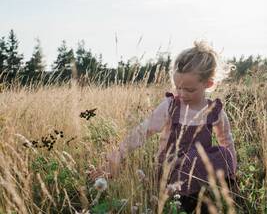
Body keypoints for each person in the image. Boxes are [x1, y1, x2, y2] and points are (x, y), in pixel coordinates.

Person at [89, 41, 237, 213]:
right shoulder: (171, 106)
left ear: (208, 84)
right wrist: (117, 155)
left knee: (222, 154)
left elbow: (226, 142)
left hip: (198, 171)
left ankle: (222, 194)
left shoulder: (214, 111)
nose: (181, 94)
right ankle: (186, 203)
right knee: (190, 159)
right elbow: (142, 132)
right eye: (178, 87)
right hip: (171, 171)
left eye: (189, 89)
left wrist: (232, 172)